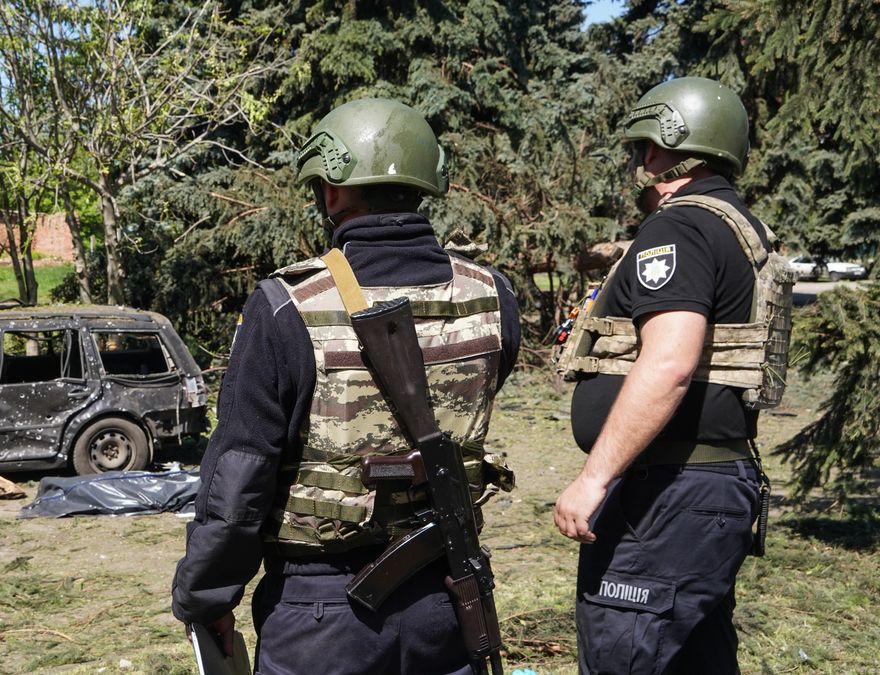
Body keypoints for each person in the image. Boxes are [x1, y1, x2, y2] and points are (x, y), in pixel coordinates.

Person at [171, 97, 521, 675]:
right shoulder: (492, 295)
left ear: (329, 192)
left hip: (323, 613)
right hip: (446, 600)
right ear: (426, 185)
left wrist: (206, 599)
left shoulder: (285, 307)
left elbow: (239, 479)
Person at [554, 77, 788, 673]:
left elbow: (670, 362)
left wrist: (594, 477)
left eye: (644, 147)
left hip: (666, 497)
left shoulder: (680, 226)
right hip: (706, 491)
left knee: (625, 657)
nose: (639, 160)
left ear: (664, 146)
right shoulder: (736, 226)